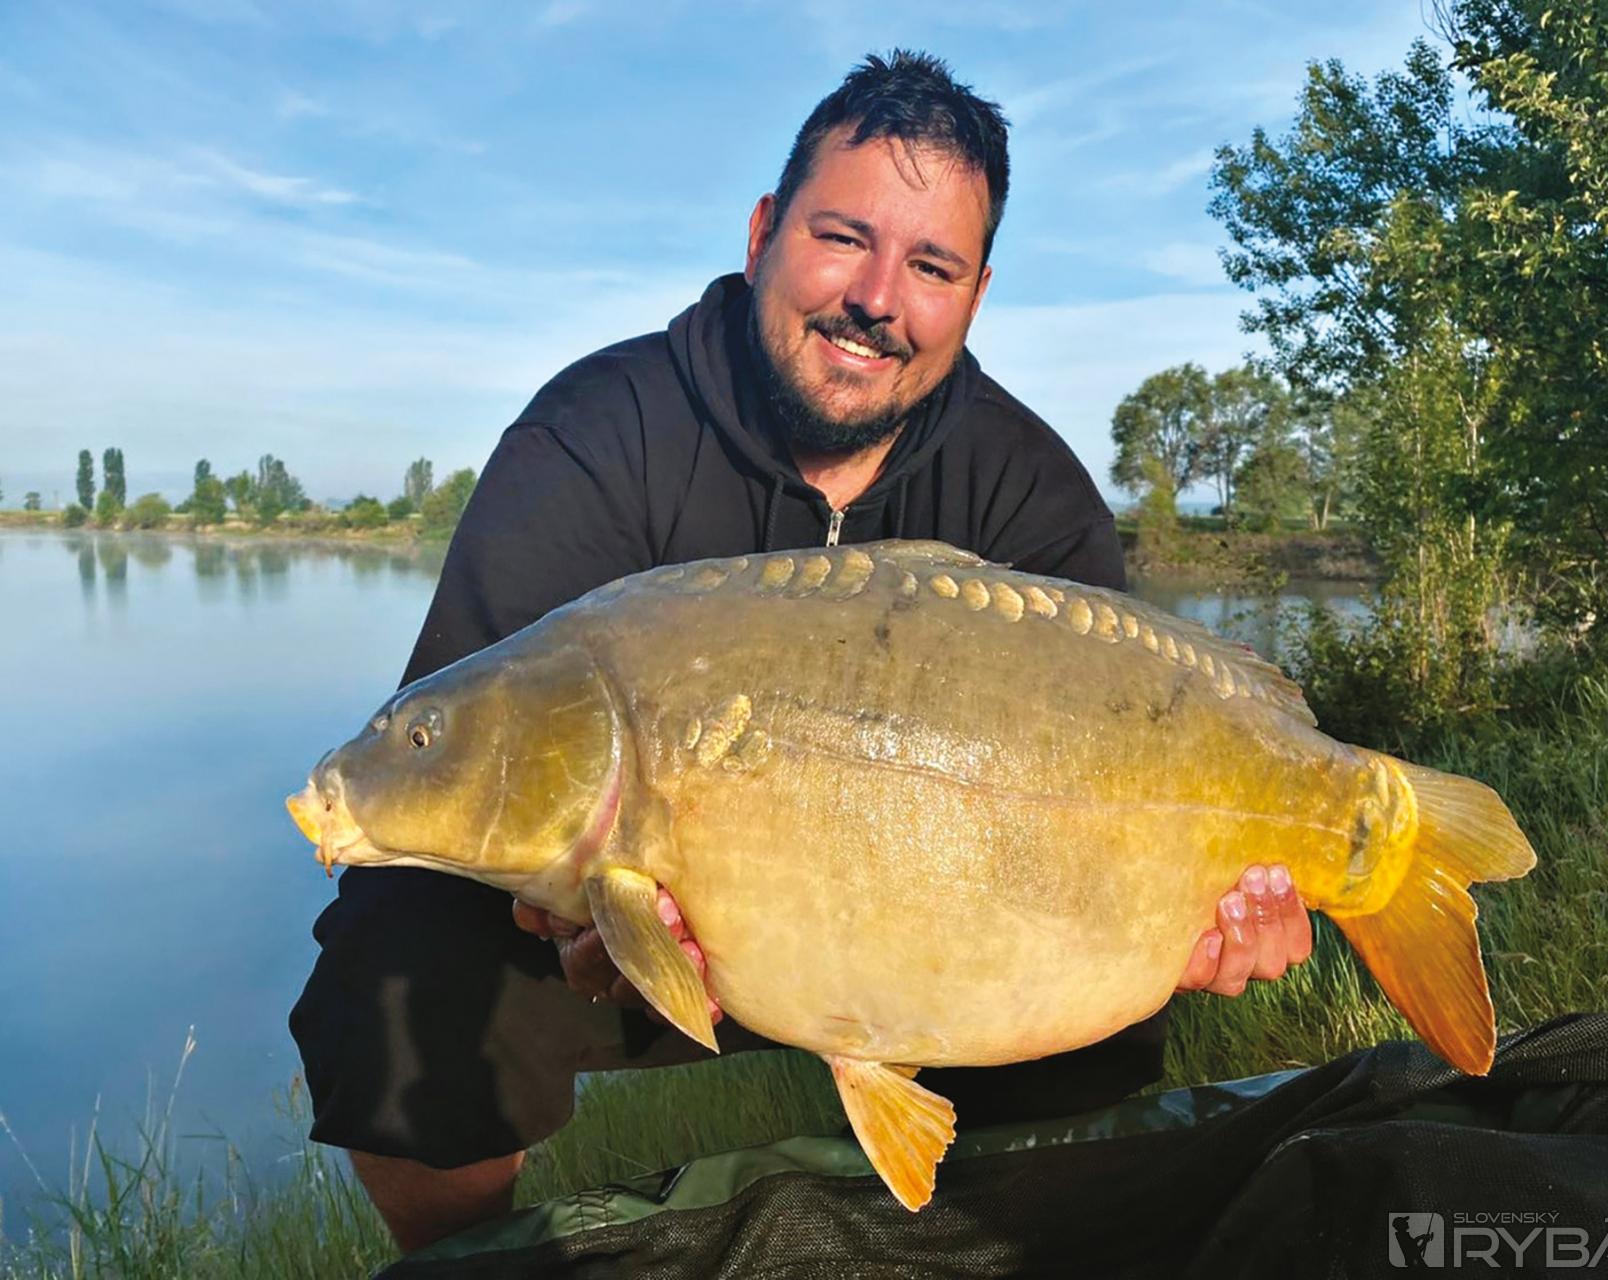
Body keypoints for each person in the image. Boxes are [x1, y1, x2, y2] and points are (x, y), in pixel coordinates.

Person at [289, 49, 1314, 1254]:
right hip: (632, 929)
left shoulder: (1029, 490)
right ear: (764, 232)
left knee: (1105, 1014)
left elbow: (1142, 778)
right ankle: (477, 1264)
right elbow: (471, 736)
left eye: (931, 266)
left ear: (976, 293)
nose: (877, 297)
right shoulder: (598, 436)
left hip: (945, 918)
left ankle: (996, 1242)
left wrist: (1206, 911)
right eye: (843, 237)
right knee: (393, 952)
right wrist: (568, 919)